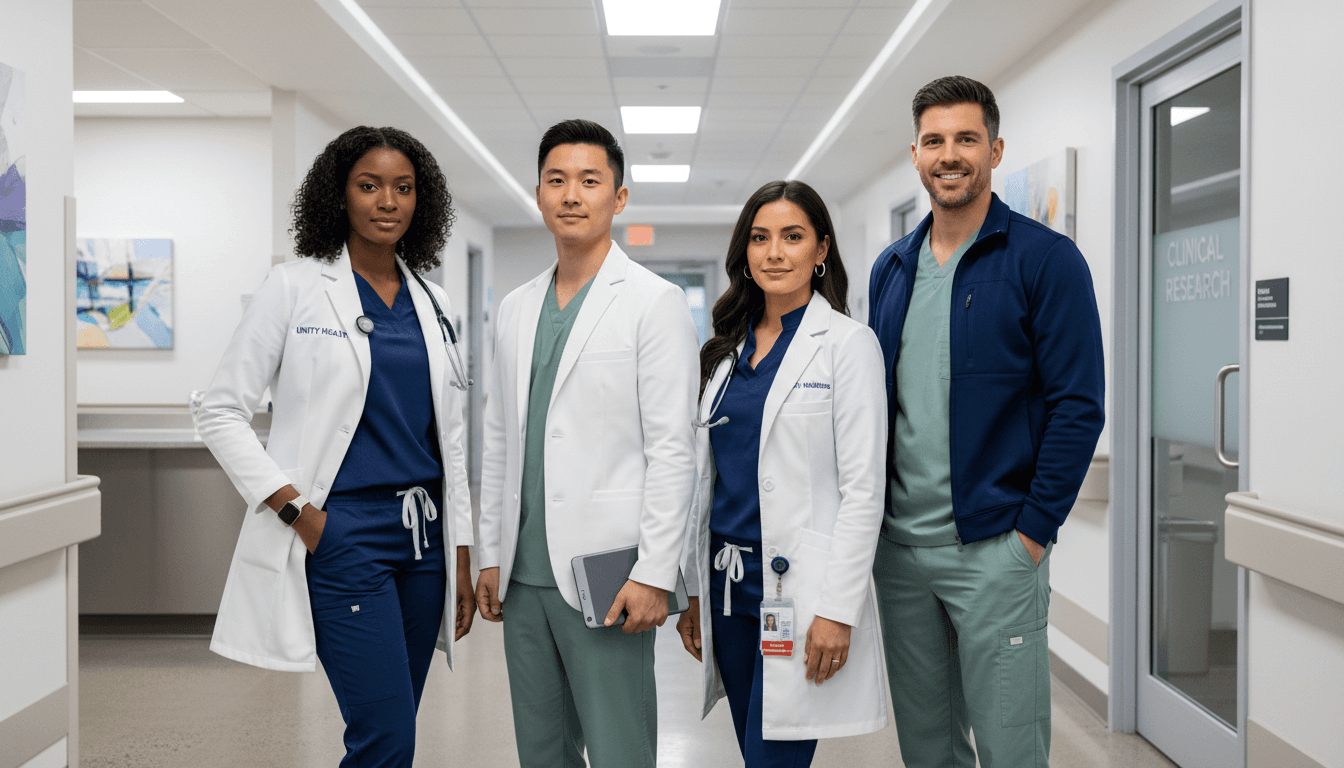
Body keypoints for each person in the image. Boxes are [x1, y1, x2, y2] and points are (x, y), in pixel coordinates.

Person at [196, 126, 476, 768]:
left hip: (423, 539)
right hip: (343, 536)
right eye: (369, 185)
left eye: (403, 188)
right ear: (339, 196)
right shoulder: (293, 288)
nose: (387, 201)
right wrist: (300, 512)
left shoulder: (434, 302)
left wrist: (459, 551)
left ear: (420, 201)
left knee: (396, 723)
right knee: (384, 734)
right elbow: (220, 411)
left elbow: (449, 440)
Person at [867, 76, 1105, 767]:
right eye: (934, 140)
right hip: (902, 557)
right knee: (927, 749)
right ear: (914, 154)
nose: (950, 154)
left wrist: (1032, 536)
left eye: (966, 139)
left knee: (1009, 749)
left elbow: (1077, 406)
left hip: (995, 551)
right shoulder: (893, 268)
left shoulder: (1045, 260)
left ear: (994, 150)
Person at [474, 119, 699, 768]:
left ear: (619, 199)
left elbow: (673, 450)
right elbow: (499, 437)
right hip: (524, 573)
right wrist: (491, 553)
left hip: (611, 570)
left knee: (620, 747)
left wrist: (657, 572)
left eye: (590, 181)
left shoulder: (652, 303)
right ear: (538, 194)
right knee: (542, 751)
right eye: (556, 180)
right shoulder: (516, 308)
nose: (572, 194)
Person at [677, 180, 889, 767]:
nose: (774, 253)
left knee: (775, 759)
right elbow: (707, 482)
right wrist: (693, 590)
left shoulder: (848, 345)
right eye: (760, 238)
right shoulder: (724, 353)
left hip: (801, 593)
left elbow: (864, 489)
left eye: (792, 237)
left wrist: (837, 609)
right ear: (744, 253)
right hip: (729, 587)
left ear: (821, 250)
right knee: (753, 752)